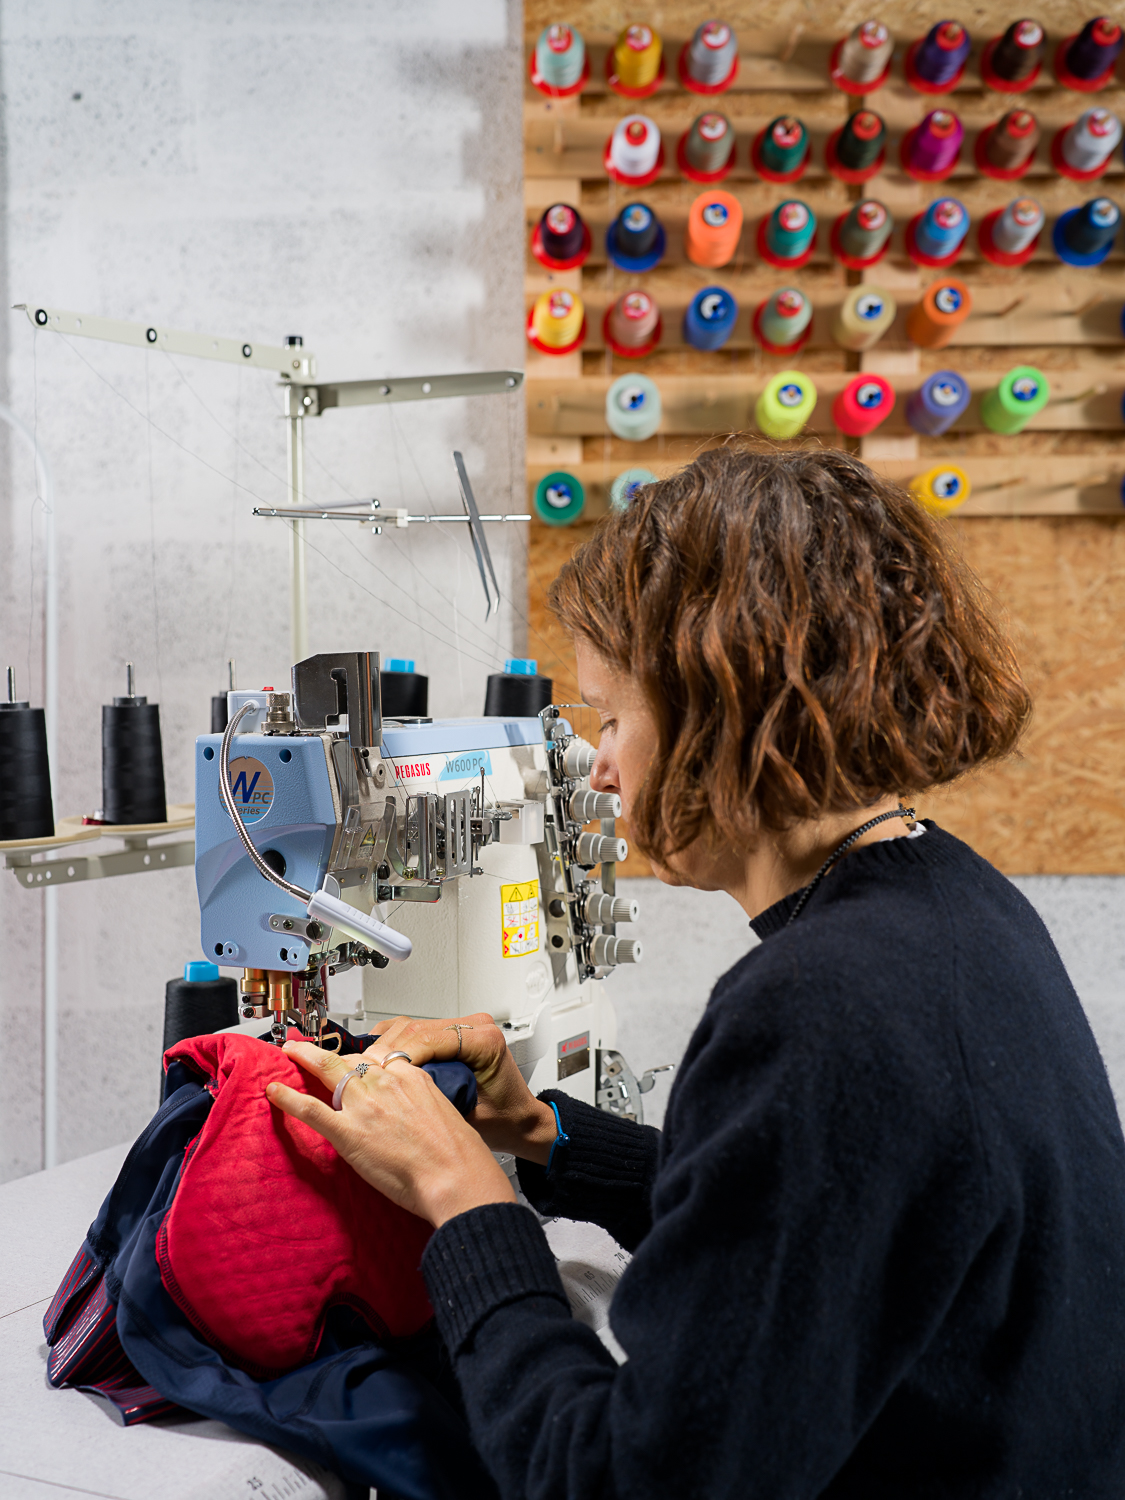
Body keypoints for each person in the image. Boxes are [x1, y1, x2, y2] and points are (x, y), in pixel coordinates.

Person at [268, 448, 1125, 1499]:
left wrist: (464, 1202)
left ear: (724, 707)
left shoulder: (820, 1006)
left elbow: (619, 1482)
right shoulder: (957, 909)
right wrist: (544, 1140)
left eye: (613, 718)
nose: (603, 767)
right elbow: (813, 1223)